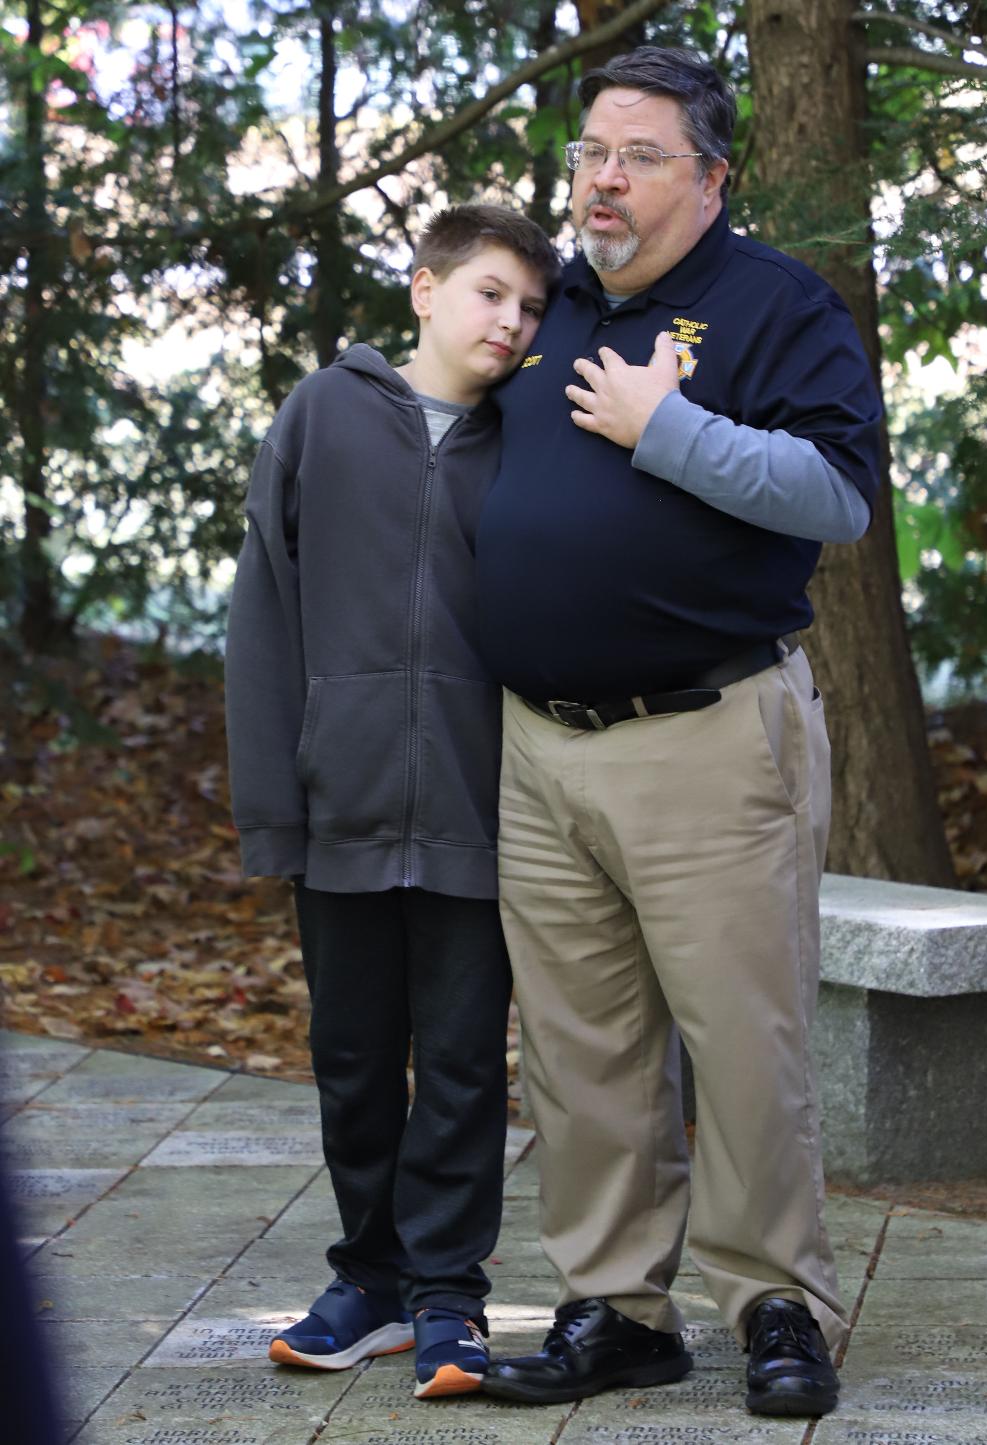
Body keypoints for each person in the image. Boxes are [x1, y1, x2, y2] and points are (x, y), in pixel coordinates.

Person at [475, 47, 882, 1418]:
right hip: (540, 747)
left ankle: (775, 1303)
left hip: (705, 735)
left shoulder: (776, 308)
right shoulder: (548, 306)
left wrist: (672, 428)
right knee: (579, 1047)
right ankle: (616, 1308)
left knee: (742, 1036)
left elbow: (836, 497)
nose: (601, 178)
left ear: (710, 180)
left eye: (638, 156)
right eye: (590, 151)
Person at [223, 204, 559, 1400]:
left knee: (464, 1057)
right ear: (424, 288)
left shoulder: (530, 437)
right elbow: (264, 611)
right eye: (488, 293)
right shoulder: (322, 414)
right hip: (344, 799)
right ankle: (366, 1277)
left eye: (528, 307)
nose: (509, 323)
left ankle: (449, 1298)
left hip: (481, 805)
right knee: (354, 1053)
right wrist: (274, 802)